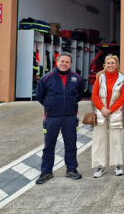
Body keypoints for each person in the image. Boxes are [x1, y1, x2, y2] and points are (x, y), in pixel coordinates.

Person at [35, 52, 85, 184]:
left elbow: (79, 94)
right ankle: (46, 172)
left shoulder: (77, 78)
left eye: (67, 62)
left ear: (71, 64)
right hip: (52, 117)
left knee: (71, 144)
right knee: (49, 145)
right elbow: (40, 95)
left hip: (70, 117)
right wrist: (50, 106)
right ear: (57, 62)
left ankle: (71, 170)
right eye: (62, 61)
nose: (64, 64)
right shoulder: (47, 78)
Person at [91, 55, 124, 178]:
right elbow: (94, 95)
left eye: (113, 63)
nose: (110, 65)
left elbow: (123, 97)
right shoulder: (99, 78)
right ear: (105, 65)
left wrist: (111, 109)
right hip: (101, 112)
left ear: (117, 65)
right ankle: (100, 166)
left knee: (116, 139)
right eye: (108, 63)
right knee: (99, 140)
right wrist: (102, 108)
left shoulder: (122, 79)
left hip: (115, 113)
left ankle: (117, 165)